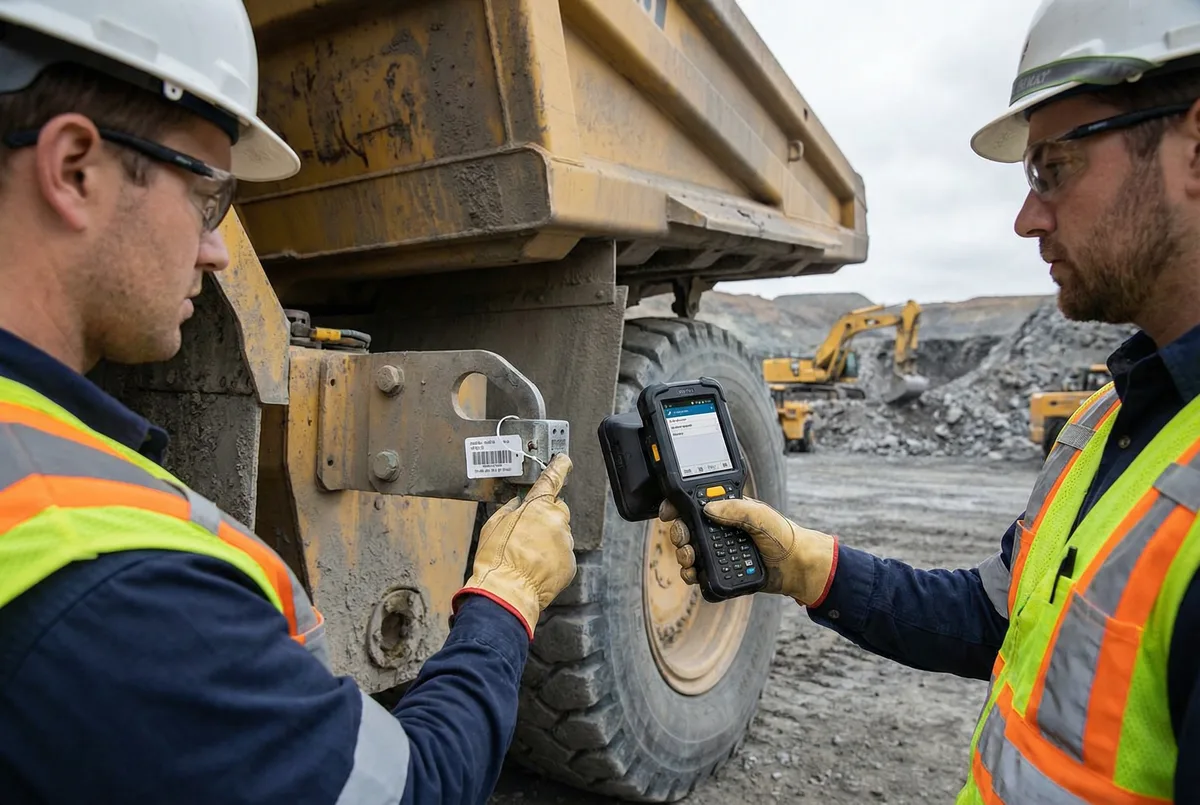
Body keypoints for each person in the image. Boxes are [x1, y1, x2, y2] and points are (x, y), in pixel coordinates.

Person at [0, 1, 577, 803]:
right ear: (74, 168)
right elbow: (416, 788)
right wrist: (506, 594)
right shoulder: (120, 584)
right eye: (206, 198)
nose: (213, 249)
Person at [667, 1, 1200, 802]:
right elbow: (1002, 621)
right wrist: (810, 565)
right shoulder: (1110, 422)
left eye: (1054, 168)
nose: (1026, 218)